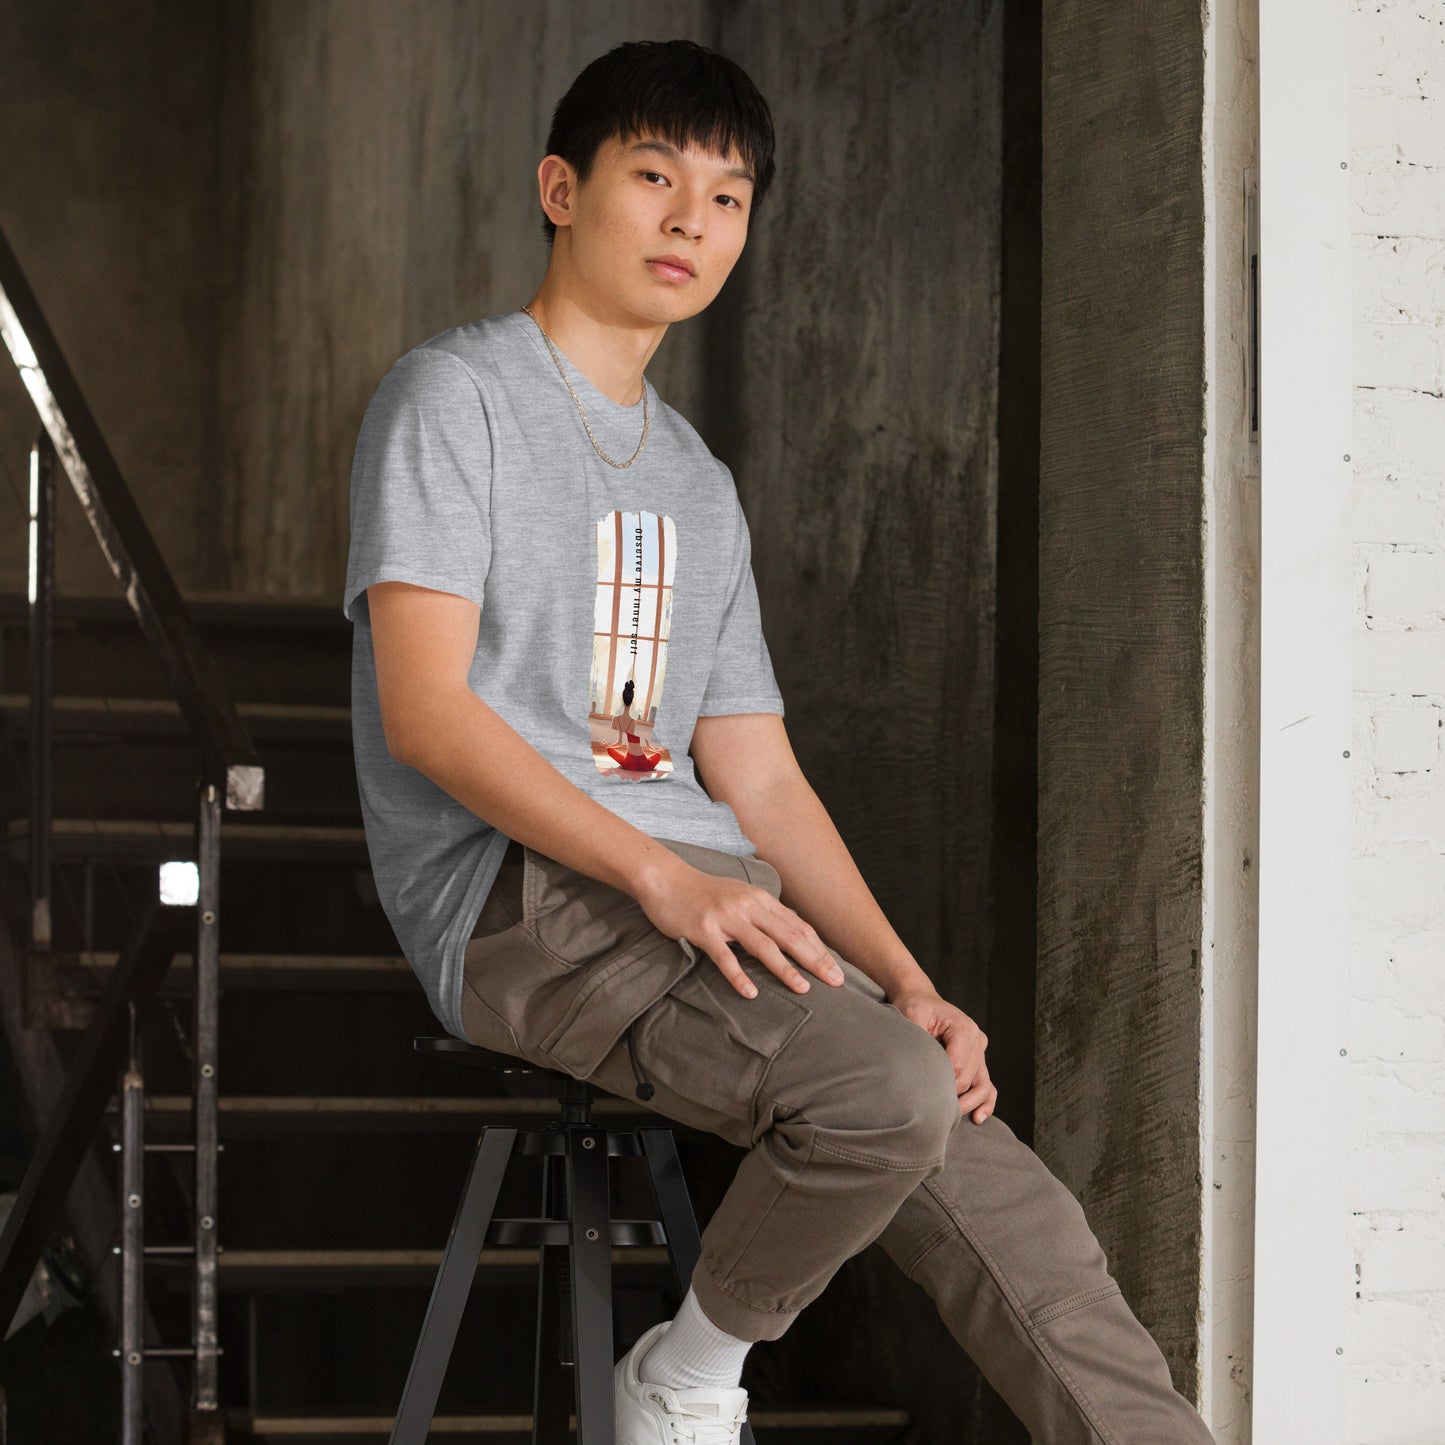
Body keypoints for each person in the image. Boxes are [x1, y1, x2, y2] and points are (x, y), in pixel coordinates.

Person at [342, 37, 1217, 1445]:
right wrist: (662, 877)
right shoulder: (456, 397)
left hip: (710, 901)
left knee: (1015, 1209)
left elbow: (756, 774)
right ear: (561, 190)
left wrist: (908, 981)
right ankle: (685, 1377)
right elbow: (427, 712)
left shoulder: (697, 479)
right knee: (880, 1093)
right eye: (654, 177)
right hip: (523, 899)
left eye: (728, 197)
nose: (692, 221)